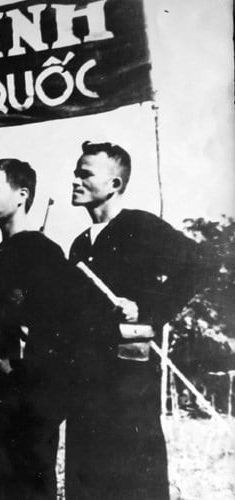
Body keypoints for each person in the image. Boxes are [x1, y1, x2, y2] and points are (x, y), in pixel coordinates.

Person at [66, 141, 201, 500]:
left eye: (85, 174)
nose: (75, 180)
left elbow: (197, 263)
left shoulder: (140, 226)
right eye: (75, 173)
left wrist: (148, 310)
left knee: (133, 480)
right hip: (85, 385)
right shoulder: (79, 245)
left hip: (128, 384)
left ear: (114, 184)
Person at [0, 159, 73, 499]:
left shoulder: (44, 252)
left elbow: (59, 330)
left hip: (30, 402)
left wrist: (22, 376)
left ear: (22, 195)